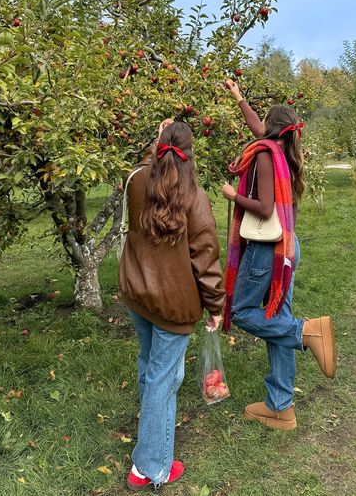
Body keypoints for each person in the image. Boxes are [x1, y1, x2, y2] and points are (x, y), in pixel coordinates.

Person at [221, 78, 336, 431]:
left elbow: (264, 206)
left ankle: (306, 332)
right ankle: (281, 407)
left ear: (272, 129)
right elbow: (257, 126)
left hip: (265, 251)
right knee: (276, 318)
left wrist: (231, 195)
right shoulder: (282, 150)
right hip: (287, 248)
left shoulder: (265, 157)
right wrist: (239, 98)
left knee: (242, 311)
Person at [119, 119, 225, 489]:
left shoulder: (136, 182)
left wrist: (157, 141)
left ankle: (149, 454)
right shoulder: (194, 197)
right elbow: (206, 259)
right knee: (163, 379)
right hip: (174, 307)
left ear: (157, 147)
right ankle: (150, 466)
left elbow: (143, 169)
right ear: (191, 154)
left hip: (139, 296)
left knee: (154, 368)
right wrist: (215, 306)